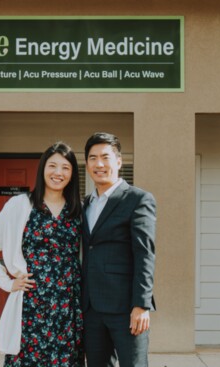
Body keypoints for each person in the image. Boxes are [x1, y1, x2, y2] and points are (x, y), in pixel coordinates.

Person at [0, 142, 84, 367]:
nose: (58, 173)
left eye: (65, 167)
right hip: (32, 304)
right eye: (52, 166)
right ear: (42, 169)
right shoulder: (21, 205)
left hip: (68, 307)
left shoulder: (78, 210)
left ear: (72, 173)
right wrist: (7, 283)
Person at [82, 132, 156, 367]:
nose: (99, 164)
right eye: (93, 158)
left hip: (127, 307)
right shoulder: (85, 203)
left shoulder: (137, 199)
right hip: (91, 307)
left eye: (105, 157)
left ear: (119, 161)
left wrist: (141, 304)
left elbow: (145, 253)